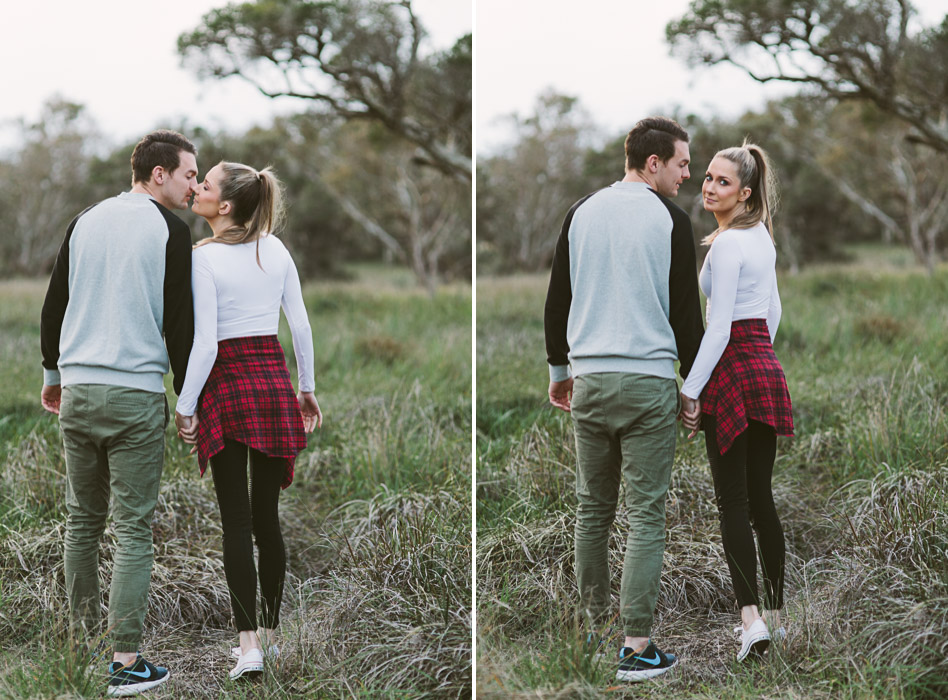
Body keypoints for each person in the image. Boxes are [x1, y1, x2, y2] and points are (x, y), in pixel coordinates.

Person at [544, 116, 704, 682]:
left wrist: (560, 370)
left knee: (593, 510)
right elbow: (687, 315)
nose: (689, 174)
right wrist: (694, 388)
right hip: (648, 383)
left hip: (588, 381)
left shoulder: (581, 211)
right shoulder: (671, 220)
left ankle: (593, 635)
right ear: (652, 161)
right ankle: (636, 649)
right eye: (682, 163)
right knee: (645, 517)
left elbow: (557, 298)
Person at [40, 130, 198, 696]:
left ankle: (82, 651)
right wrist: (188, 401)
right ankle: (125, 662)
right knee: (133, 528)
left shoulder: (86, 219)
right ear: (158, 173)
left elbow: (54, 303)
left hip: (78, 392)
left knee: (82, 521)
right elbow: (181, 324)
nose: (193, 185)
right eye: (187, 174)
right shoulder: (170, 231)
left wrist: (52, 377)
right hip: (133, 396)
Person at [172, 161, 322, 681]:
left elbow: (206, 343)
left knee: (235, 522)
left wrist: (185, 405)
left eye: (206, 185)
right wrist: (306, 389)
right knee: (267, 519)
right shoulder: (275, 250)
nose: (197, 190)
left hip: (227, 388)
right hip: (273, 384)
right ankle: (275, 638)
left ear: (226, 206)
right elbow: (299, 325)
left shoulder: (203, 258)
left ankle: (249, 647)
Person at [680, 142, 793, 662]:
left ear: (744, 192)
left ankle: (750, 621)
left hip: (731, 369)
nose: (708, 186)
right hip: (765, 367)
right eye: (706, 176)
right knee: (761, 497)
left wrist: (690, 388)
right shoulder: (759, 238)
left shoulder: (727, 246)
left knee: (734, 502)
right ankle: (776, 613)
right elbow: (772, 313)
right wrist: (759, 357)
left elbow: (719, 325)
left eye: (722, 182)